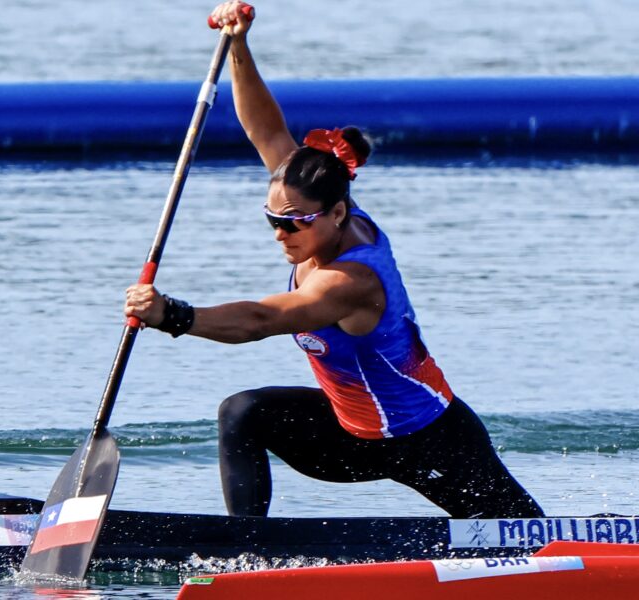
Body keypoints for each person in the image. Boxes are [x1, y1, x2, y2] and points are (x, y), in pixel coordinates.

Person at [124, 1, 544, 519]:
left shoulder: (352, 279)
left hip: (429, 439)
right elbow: (265, 130)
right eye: (272, 219)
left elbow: (263, 320)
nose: (282, 232)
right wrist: (239, 45)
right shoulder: (317, 200)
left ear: (338, 213)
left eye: (295, 222)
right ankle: (248, 548)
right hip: (350, 435)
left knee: (534, 538)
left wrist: (173, 315)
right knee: (243, 411)